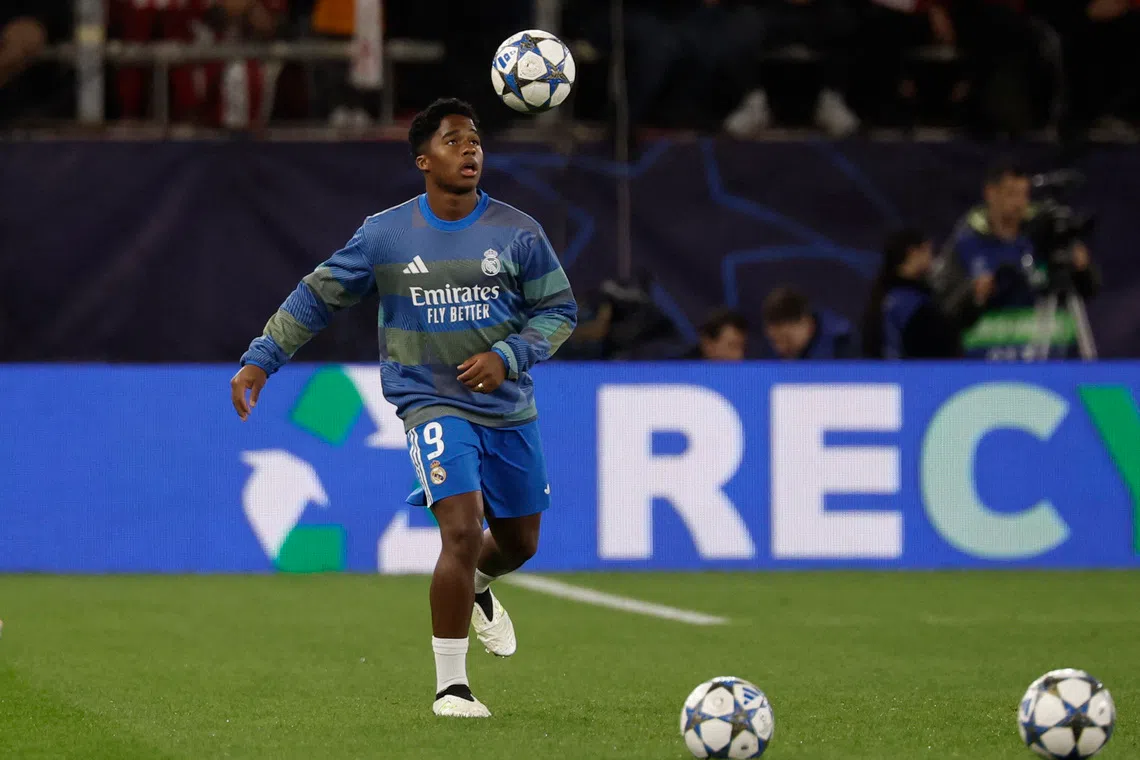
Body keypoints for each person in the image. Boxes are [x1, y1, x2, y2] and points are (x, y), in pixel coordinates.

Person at [229, 98, 578, 718]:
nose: (470, 149)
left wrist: (510, 355)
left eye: (474, 140)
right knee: (463, 530)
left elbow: (559, 311)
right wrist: (262, 357)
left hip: (508, 406)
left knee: (520, 542)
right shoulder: (386, 234)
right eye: (453, 141)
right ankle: (452, 688)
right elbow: (319, 295)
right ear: (424, 160)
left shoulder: (519, 231)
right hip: (430, 401)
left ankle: (477, 589)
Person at [934, 160, 1099, 360]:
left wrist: (1083, 268)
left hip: (1050, 363)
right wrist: (974, 295)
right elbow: (944, 310)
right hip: (983, 370)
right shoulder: (965, 244)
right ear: (990, 193)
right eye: (1011, 194)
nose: (1019, 203)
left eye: (1024, 194)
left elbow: (1090, 289)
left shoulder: (1043, 238)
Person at [862, 228, 991, 358]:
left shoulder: (887, 296)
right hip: (912, 375)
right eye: (928, 251)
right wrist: (976, 301)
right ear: (913, 253)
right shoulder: (910, 303)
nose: (932, 258)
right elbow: (941, 339)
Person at [761, 287, 857, 359]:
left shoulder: (842, 342)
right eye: (775, 341)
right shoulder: (771, 352)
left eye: (787, 339)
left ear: (807, 324)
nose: (780, 349)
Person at [681, 308, 749, 360]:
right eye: (732, 346)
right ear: (708, 345)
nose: (739, 355)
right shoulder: (678, 373)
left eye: (742, 347)